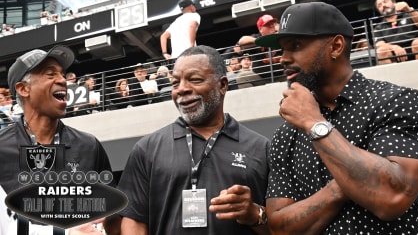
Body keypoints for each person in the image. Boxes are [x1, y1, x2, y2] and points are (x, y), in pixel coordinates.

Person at [255, 2, 418, 234]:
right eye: (282, 49)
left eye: (295, 45)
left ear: (336, 46)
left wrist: (314, 123)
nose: (283, 58)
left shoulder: (396, 101)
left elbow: (393, 197)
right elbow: (280, 227)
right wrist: (344, 185)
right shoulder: (286, 133)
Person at [117, 45, 270, 235]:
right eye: (175, 83)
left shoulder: (260, 148)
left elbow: (285, 226)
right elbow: (134, 221)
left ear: (222, 85)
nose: (181, 89)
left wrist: (255, 214)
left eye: (195, 80)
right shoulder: (147, 149)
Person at [0, 45, 114, 234]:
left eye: (62, 74)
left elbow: (110, 212)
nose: (62, 80)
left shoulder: (88, 145)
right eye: (50, 74)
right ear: (23, 89)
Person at [235, 14, 282, 81]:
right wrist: (261, 42)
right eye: (268, 25)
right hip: (260, 78)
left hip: (282, 75)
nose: (271, 26)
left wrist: (279, 31)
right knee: (242, 77)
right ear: (260, 29)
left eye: (273, 23)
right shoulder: (257, 37)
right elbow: (242, 40)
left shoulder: (280, 35)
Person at [373, 0, 418, 64]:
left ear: (394, 3)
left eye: (385, 2)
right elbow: (379, 44)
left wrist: (409, 9)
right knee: (381, 51)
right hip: (395, 55)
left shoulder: (409, 15)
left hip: (415, 50)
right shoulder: (378, 28)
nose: (383, 5)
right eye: (379, 5)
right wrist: (394, 47)